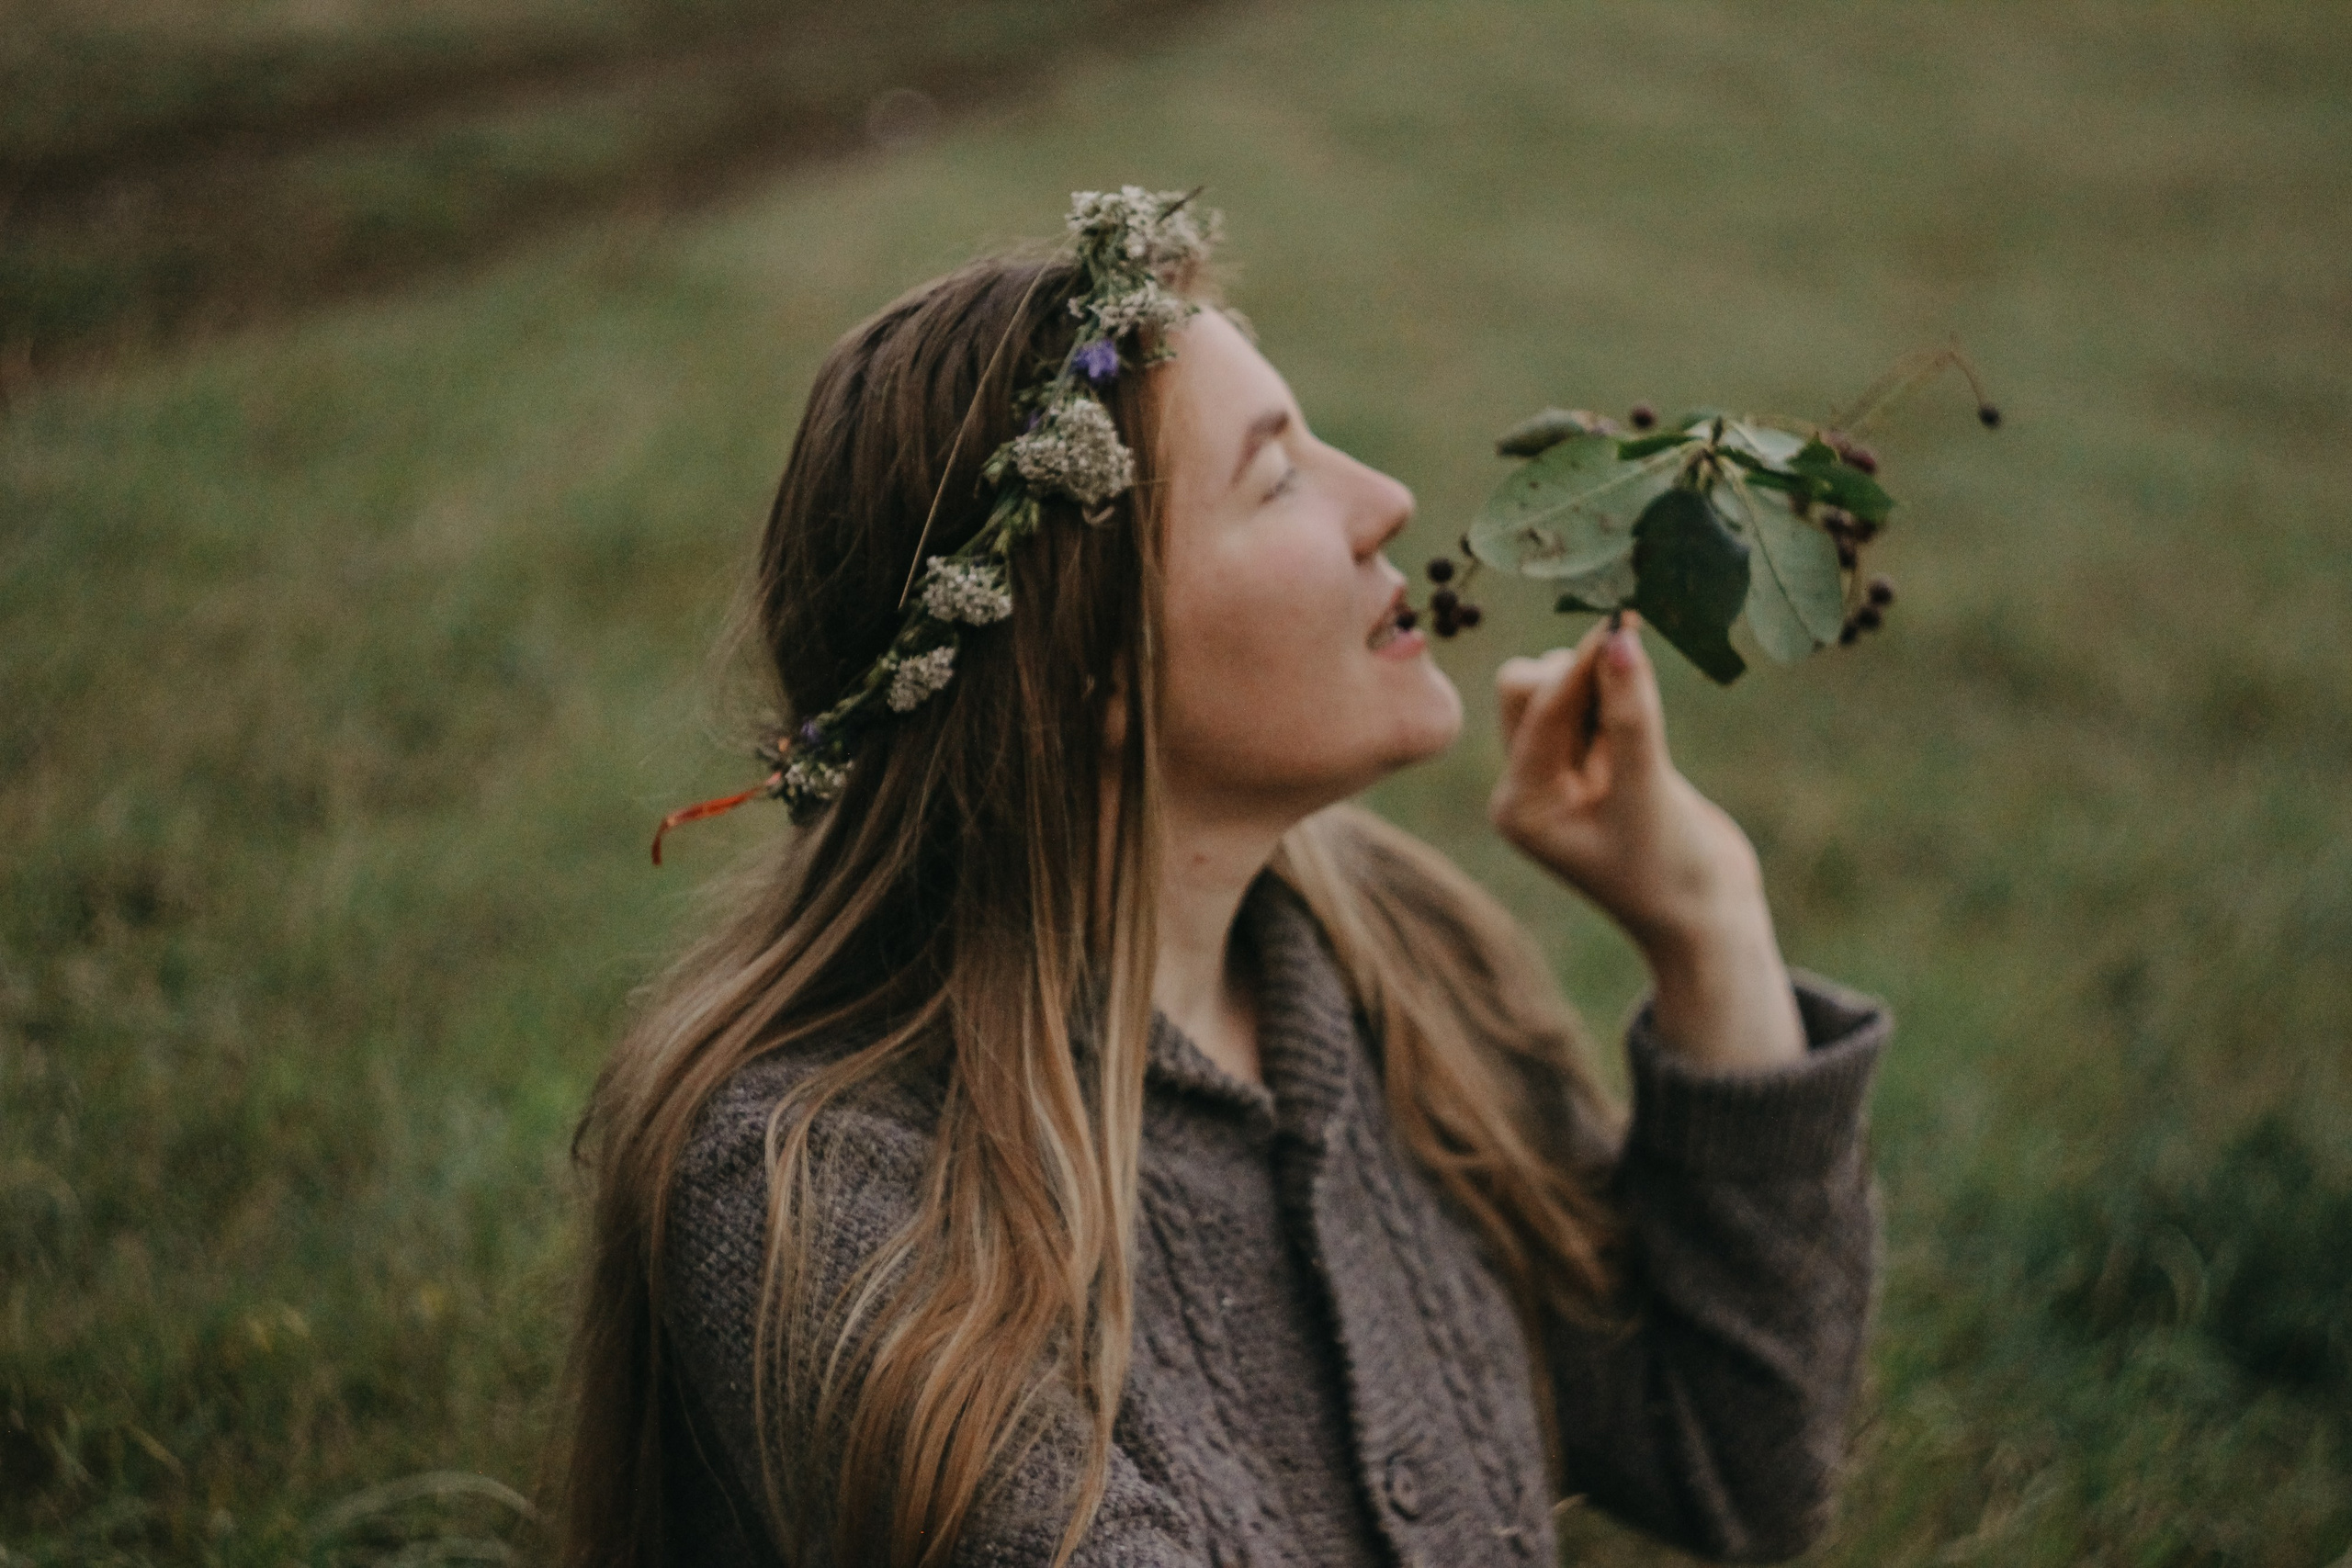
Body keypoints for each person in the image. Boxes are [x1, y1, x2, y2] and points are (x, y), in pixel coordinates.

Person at [557, 189, 1887, 1568]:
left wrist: (1706, 923)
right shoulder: (824, 1191)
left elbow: (1738, 1465)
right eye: (1279, 477)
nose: (1388, 501)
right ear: (1089, 666)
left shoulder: (1392, 956)